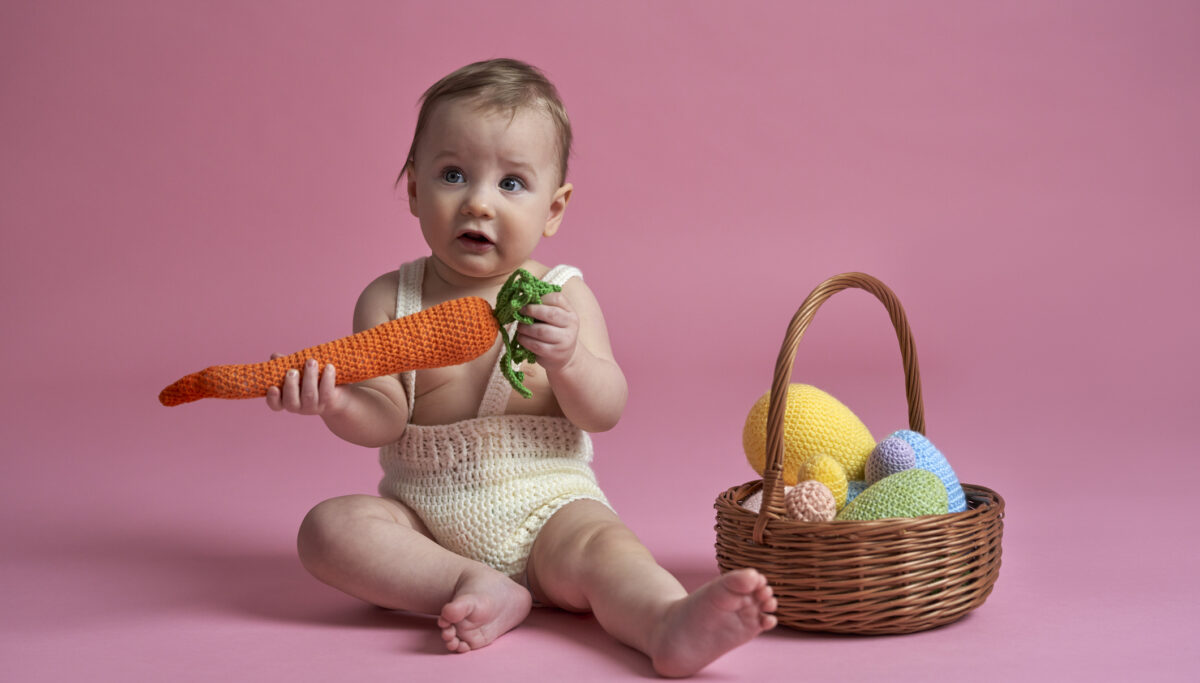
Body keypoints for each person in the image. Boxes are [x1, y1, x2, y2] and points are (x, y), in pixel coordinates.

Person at [265, 58, 776, 678]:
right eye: (453, 174)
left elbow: (605, 409)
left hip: (548, 511)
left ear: (554, 209)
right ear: (415, 191)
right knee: (330, 529)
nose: (478, 202)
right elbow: (382, 418)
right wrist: (334, 401)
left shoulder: (562, 296)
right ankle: (469, 581)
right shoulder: (388, 300)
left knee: (605, 548)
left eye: (511, 184)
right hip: (423, 523)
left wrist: (570, 360)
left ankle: (666, 620)